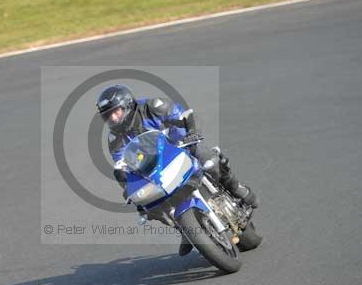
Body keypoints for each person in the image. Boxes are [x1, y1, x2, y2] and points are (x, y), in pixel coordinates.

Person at [96, 84, 258, 256]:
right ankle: (184, 229)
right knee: (149, 204)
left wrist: (191, 132)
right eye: (108, 115)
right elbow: (122, 164)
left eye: (116, 111)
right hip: (155, 169)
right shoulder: (115, 137)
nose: (113, 118)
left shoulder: (153, 107)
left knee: (209, 161)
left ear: (127, 104)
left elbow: (186, 116)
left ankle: (235, 186)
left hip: (183, 147)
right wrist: (128, 186)